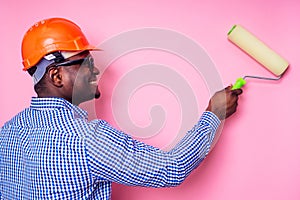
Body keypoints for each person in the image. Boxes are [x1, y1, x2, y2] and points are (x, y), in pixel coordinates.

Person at [0, 17, 242, 199]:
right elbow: (173, 169)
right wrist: (214, 114)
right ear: (56, 75)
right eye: (85, 62)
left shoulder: (7, 132)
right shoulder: (86, 139)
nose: (95, 70)